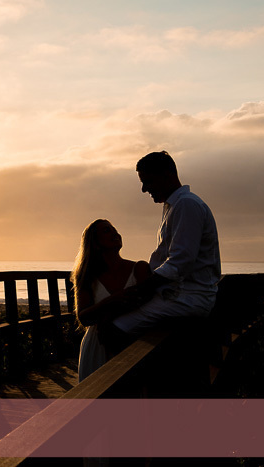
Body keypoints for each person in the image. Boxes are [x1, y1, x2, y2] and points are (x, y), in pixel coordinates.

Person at [101, 151, 221, 348]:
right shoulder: (176, 205)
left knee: (114, 329)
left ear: (167, 175)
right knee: (116, 318)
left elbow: (180, 262)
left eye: (147, 181)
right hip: (181, 294)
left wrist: (141, 289)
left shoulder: (186, 205)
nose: (144, 189)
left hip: (188, 297)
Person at [72, 219, 151, 381]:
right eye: (107, 231)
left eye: (115, 229)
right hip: (97, 345)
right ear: (95, 243)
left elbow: (148, 306)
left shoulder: (140, 268)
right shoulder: (87, 276)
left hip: (133, 341)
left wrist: (107, 315)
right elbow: (83, 317)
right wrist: (111, 301)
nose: (115, 233)